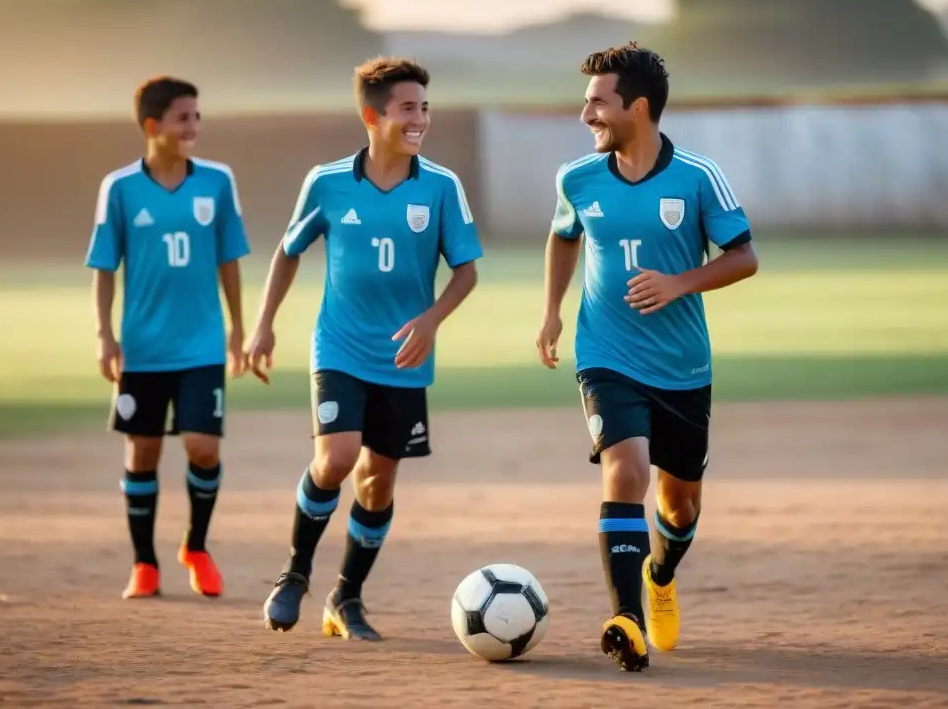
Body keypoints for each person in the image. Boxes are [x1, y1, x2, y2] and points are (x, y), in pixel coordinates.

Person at [535, 42, 759, 671]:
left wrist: (679, 282)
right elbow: (561, 237)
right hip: (604, 352)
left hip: (683, 364)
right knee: (625, 471)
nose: (586, 117)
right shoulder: (576, 179)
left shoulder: (697, 176)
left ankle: (660, 574)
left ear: (637, 106)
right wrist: (552, 310)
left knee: (680, 501)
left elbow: (745, 256)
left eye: (597, 104)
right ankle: (626, 620)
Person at [246, 57, 482, 640]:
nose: (421, 118)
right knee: (336, 460)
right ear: (371, 116)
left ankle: (345, 598)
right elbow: (288, 250)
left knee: (377, 482)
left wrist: (430, 320)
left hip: (404, 357)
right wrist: (263, 325)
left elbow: (467, 272)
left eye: (425, 107)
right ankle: (294, 574)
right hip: (340, 348)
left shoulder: (442, 186)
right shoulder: (326, 182)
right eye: (408, 108)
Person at [84, 76, 250, 600]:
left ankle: (196, 547)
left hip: (201, 345)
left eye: (197, 116)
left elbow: (229, 259)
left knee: (202, 447)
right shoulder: (120, 188)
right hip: (143, 348)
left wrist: (238, 328)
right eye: (184, 118)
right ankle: (144, 564)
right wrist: (105, 335)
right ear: (153, 126)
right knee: (143, 453)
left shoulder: (218, 182)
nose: (194, 127)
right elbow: (104, 267)